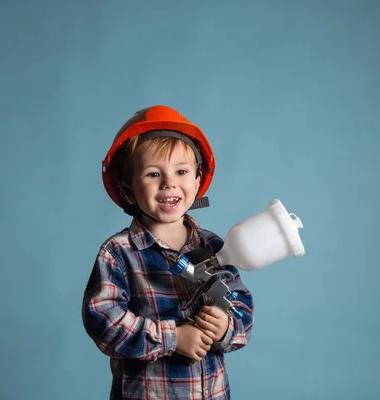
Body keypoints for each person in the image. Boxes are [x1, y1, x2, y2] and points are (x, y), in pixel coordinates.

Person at [82, 105, 254, 399]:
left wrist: (226, 325)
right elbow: (103, 320)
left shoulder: (214, 247)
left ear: (198, 180)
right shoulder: (119, 254)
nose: (169, 183)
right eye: (152, 174)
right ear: (128, 190)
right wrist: (173, 338)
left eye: (182, 171)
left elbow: (242, 307)